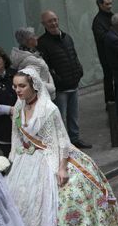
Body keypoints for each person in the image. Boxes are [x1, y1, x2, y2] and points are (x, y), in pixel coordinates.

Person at [7, 67, 118, 226]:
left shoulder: (48, 109)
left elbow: (61, 141)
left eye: (22, 86)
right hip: (26, 162)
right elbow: (16, 136)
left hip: (49, 158)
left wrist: (62, 168)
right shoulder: (18, 108)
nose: (18, 90)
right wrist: (13, 160)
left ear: (33, 85)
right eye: (15, 86)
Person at [36, 10, 92, 149]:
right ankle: (61, 143)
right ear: (44, 24)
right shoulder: (42, 43)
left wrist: (79, 70)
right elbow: (46, 67)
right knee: (59, 117)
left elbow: (74, 55)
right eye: (50, 21)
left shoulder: (67, 37)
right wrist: (58, 80)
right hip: (60, 88)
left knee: (73, 115)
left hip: (73, 82)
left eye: (55, 19)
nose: (53, 23)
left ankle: (74, 139)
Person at [9, 27, 56, 97]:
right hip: (42, 98)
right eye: (34, 36)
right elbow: (33, 83)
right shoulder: (31, 60)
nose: (37, 38)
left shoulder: (31, 53)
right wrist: (51, 88)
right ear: (29, 40)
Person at [91, 0, 115, 102]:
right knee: (109, 77)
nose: (110, 6)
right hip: (106, 54)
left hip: (114, 52)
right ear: (100, 5)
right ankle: (110, 101)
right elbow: (102, 37)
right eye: (107, 4)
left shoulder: (111, 16)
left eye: (110, 3)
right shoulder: (98, 21)